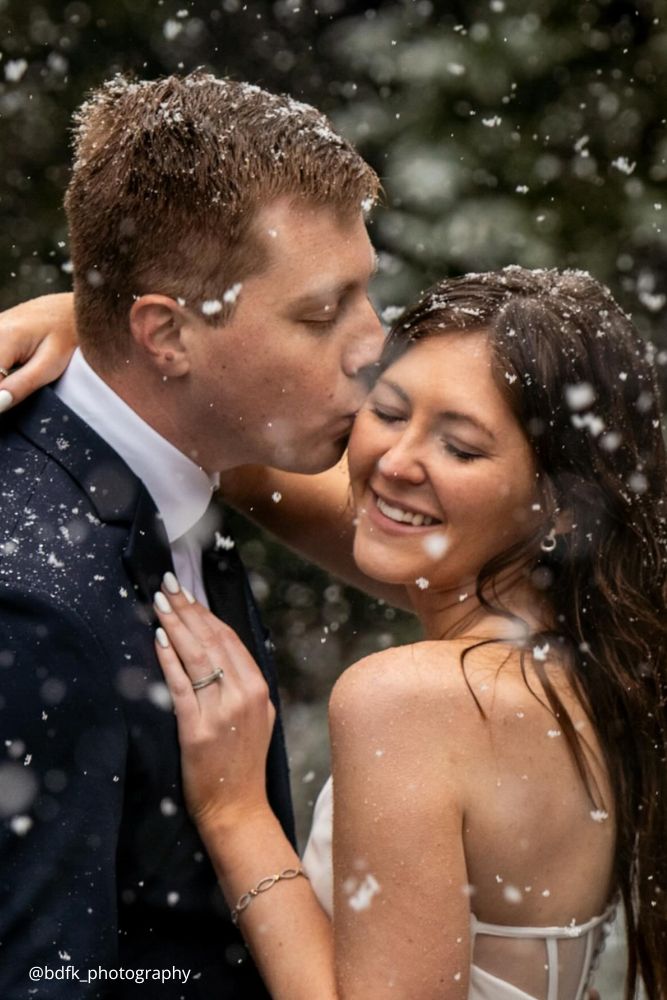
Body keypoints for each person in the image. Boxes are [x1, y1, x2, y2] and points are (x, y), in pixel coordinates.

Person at [145, 267, 666, 999]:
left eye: (459, 449)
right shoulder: (595, 650)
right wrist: (105, 334)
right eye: (388, 412)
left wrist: (233, 811)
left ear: (559, 507)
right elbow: (248, 466)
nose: (394, 464)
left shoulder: (417, 700)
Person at [0, 70, 388, 999]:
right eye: (320, 311)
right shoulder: (34, 600)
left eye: (365, 293)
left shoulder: (179, 463)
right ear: (165, 337)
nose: (373, 342)